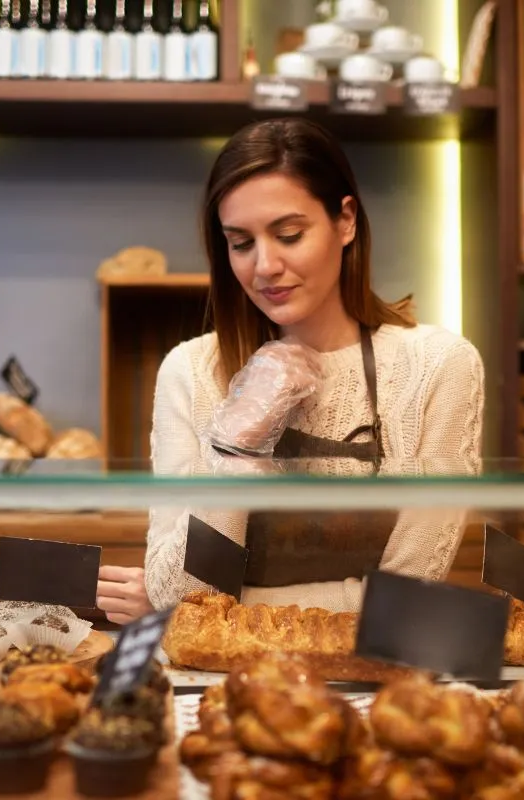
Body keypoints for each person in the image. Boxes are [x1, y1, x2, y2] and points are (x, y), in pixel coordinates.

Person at [96, 117, 484, 625]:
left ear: (345, 221)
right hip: (216, 684)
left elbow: (403, 604)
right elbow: (179, 593)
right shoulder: (190, 370)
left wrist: (241, 608)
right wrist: (238, 443)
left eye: (289, 234)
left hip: (366, 681)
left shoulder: (438, 366)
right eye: (241, 243)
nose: (264, 266)